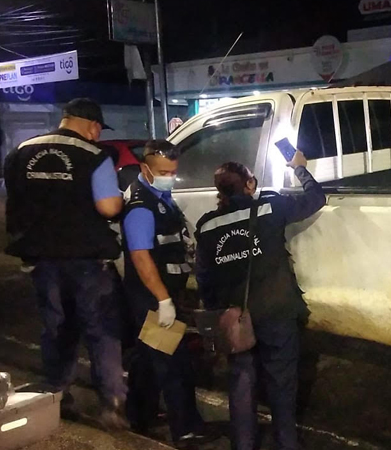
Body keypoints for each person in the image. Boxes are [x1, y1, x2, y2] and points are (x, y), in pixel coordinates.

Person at [3, 98, 128, 429]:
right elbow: (108, 207)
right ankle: (112, 404)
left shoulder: (20, 152)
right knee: (100, 329)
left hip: (41, 257)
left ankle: (57, 395)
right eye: (98, 130)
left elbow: (14, 199)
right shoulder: (93, 155)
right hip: (86, 257)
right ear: (92, 126)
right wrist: (121, 200)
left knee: (56, 327)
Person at [195, 151, 325, 450]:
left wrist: (219, 312)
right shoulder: (270, 207)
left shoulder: (207, 226)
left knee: (241, 382)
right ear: (249, 184)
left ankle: (243, 444)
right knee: (282, 383)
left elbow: (204, 277)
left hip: (236, 318)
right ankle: (286, 443)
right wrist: (300, 169)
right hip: (276, 312)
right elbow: (315, 198)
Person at [120, 140, 206, 448]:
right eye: (164, 172)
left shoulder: (160, 196)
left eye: (173, 171)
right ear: (146, 169)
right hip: (152, 297)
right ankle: (185, 430)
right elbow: (141, 257)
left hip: (163, 294)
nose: (170, 177)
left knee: (147, 358)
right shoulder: (141, 207)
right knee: (173, 363)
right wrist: (163, 300)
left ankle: (139, 415)